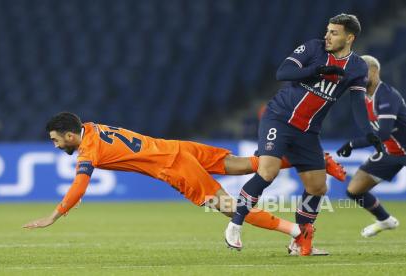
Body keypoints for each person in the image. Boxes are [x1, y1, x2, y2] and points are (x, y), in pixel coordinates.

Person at [23, 112, 343, 255]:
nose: (55, 145)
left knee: (228, 207)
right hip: (178, 147)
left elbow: (80, 184)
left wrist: (55, 214)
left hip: (173, 165)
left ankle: (296, 234)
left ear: (69, 135)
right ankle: (313, 160)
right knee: (240, 165)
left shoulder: (88, 147)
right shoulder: (91, 128)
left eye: (55, 140)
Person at [224, 13, 384, 256]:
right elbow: (283, 73)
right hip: (279, 117)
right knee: (267, 171)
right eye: (328, 30)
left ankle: (299, 242)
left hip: (308, 131)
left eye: (334, 32)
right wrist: (318, 70)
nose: (327, 36)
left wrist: (368, 132)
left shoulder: (357, 67)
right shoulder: (313, 48)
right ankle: (235, 224)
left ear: (349, 38)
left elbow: (357, 103)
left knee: (318, 187)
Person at [337, 55, 405, 237]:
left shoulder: (387, 96)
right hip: (391, 152)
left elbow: (382, 133)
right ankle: (385, 220)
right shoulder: (363, 97)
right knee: (355, 190)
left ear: (374, 72)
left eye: (361, 73)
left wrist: (353, 144)